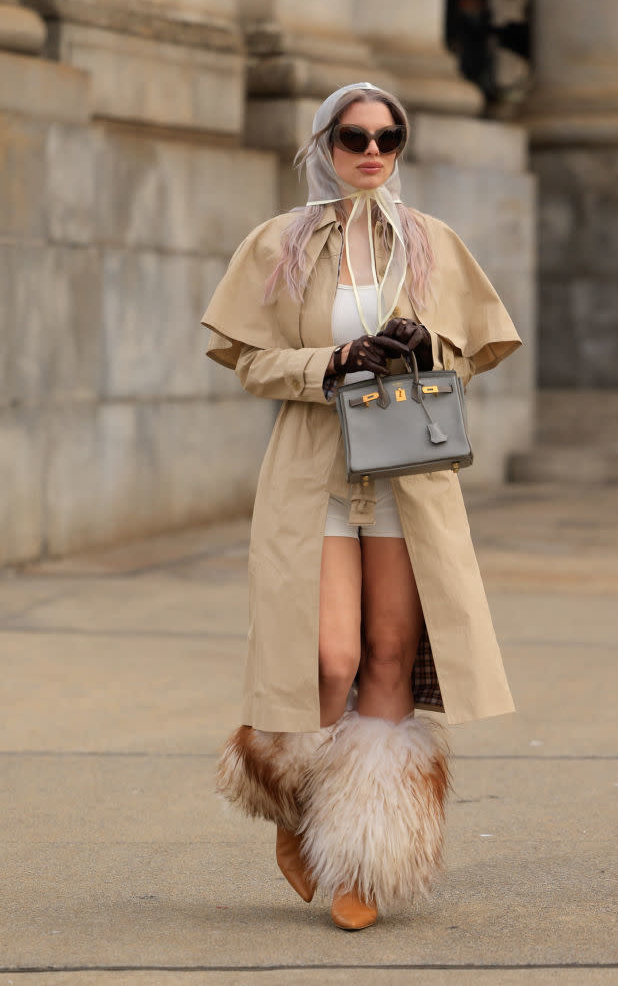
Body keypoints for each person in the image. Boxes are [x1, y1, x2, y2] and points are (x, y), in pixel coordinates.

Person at [201, 82, 521, 931]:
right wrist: (331, 363)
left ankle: (366, 859)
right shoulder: (281, 245)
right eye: (354, 136)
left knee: (389, 652)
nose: (372, 151)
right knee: (328, 657)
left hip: (408, 478)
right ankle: (295, 804)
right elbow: (247, 361)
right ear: (324, 144)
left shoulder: (431, 244)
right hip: (314, 473)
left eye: (388, 136)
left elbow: (475, 351)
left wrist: (428, 348)